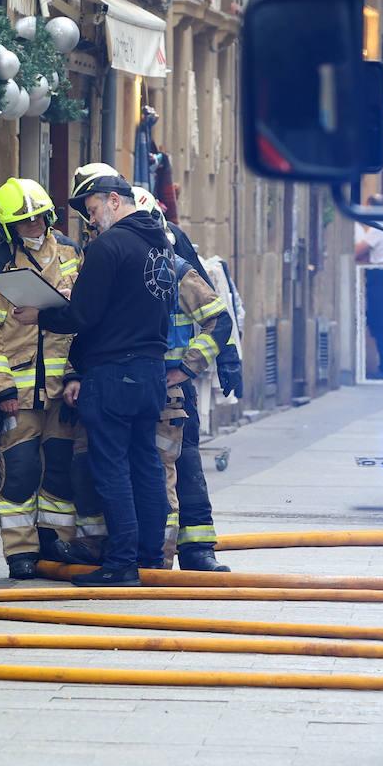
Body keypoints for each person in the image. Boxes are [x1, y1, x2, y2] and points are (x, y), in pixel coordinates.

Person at [17, 173, 176, 587]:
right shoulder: (158, 243)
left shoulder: (110, 246)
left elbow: (82, 315)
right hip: (150, 370)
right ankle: (151, 559)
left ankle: (122, 564)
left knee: (112, 468)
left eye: (92, 211)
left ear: (113, 201)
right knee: (146, 465)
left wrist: (41, 314)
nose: (91, 222)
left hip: (113, 372)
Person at [0, 178, 85, 580]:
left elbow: (86, 317)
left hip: (63, 389)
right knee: (18, 471)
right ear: (9, 227)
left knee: (59, 469)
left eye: (39, 218)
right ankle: (20, 551)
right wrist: (1, 387)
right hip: (18, 393)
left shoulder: (72, 253)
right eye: (24, 222)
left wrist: (78, 374)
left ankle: (56, 542)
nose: (35, 226)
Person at [133, 191, 234, 573]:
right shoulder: (114, 258)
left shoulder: (174, 263)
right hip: (135, 382)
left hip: (174, 386)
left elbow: (216, 316)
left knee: (185, 466)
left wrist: (190, 367)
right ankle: (145, 549)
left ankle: (196, 549)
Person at [355, 197, 383, 379]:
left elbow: (358, 250)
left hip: (379, 278)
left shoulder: (377, 228)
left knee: (380, 323)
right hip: (381, 277)